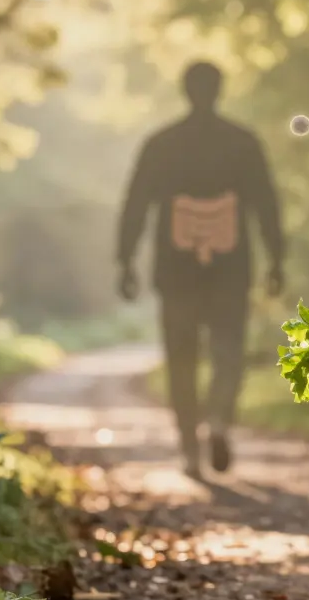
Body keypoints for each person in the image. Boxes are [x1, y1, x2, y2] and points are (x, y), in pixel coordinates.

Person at [116, 61, 284, 479]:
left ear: (185, 90)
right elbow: (267, 203)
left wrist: (125, 260)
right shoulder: (243, 143)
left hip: (175, 271)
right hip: (232, 268)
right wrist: (277, 257)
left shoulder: (160, 144)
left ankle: (190, 447)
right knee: (228, 352)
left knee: (181, 357)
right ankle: (220, 421)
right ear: (219, 90)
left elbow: (135, 204)